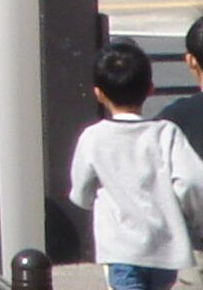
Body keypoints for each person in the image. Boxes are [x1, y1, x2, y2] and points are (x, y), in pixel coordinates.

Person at [69, 38, 203, 290]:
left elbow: (81, 191)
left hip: (121, 250)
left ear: (98, 93)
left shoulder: (93, 137)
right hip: (165, 250)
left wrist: (88, 200)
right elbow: (192, 181)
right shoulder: (166, 133)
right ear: (150, 89)